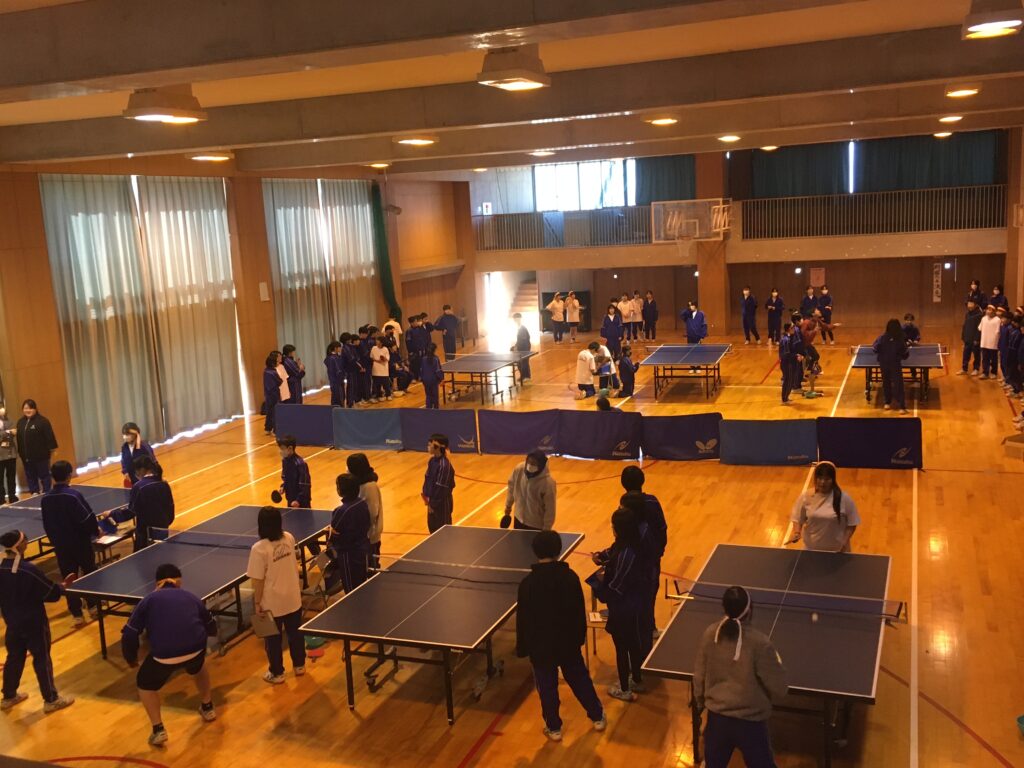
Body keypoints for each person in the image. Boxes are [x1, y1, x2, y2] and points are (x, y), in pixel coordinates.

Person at [516, 530, 606, 741]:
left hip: (541, 648)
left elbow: (524, 619)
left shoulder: (527, 584)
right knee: (580, 680)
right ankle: (597, 716)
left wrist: (523, 648)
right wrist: (579, 637)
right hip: (567, 643)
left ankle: (554, 727)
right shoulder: (570, 578)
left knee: (547, 688)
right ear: (558, 550)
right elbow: (578, 611)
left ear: (535, 551)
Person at [121, 563, 217, 746]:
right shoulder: (191, 596)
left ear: (157, 583)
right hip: (196, 649)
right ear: (178, 581)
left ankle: (158, 730)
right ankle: (208, 707)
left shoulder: (147, 601)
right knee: (199, 666)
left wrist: (131, 658)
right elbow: (211, 625)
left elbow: (129, 634)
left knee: (144, 684)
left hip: (164, 655)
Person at [693, 586, 789, 768]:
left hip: (717, 721)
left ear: (724, 608)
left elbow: (699, 676)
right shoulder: (760, 644)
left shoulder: (710, 634)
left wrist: (700, 704)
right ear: (750, 610)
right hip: (751, 724)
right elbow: (780, 688)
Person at [0, 529, 77, 714]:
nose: (27, 542)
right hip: (34, 622)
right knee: (42, 658)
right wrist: (62, 587)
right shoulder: (29, 570)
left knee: (14, 657)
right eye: (25, 540)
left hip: (12, 622)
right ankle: (51, 699)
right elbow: (51, 593)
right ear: (19, 545)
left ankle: (8, 696)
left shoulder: (1, 568)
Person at [589, 507, 651, 702]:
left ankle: (624, 689)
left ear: (619, 529)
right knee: (632, 644)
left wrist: (599, 586)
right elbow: (611, 552)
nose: (612, 529)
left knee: (623, 648)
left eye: (613, 526)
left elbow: (616, 587)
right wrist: (599, 557)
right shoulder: (629, 544)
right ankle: (637, 679)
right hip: (632, 605)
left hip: (625, 608)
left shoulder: (627, 554)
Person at [247, 506, 306, 685]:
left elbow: (258, 580)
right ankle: (300, 666)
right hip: (293, 597)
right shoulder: (289, 537)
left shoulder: (258, 549)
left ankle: (277, 673)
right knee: (295, 634)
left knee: (273, 639)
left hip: (272, 603)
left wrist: (257, 603)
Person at [40, 461, 99, 627]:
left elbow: (47, 524)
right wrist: (95, 531)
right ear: (69, 475)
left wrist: (55, 541)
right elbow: (87, 518)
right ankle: (93, 606)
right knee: (89, 572)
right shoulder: (73, 496)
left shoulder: (46, 499)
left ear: (52, 476)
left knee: (68, 578)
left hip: (61, 546)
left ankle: (76, 614)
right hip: (80, 543)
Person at [620, 466, 667, 640]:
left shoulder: (623, 505)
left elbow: (620, 536)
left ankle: (638, 629)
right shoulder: (652, 502)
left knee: (634, 594)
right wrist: (659, 551)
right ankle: (648, 628)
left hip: (633, 560)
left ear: (623, 483)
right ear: (642, 481)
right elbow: (662, 527)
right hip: (650, 560)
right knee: (649, 594)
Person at [789, 462, 860, 552]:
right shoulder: (807, 496)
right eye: (820, 478)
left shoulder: (844, 498)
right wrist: (797, 532)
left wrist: (844, 542)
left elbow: (852, 523)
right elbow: (797, 518)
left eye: (827, 479)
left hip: (838, 550)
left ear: (833, 480)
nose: (822, 482)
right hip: (811, 549)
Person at [328, 473, 372, 593]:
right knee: (362, 585)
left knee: (351, 590)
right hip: (363, 549)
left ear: (340, 490)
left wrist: (331, 534)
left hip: (348, 555)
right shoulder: (362, 503)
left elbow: (334, 534)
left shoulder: (341, 511)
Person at [128, 455, 175, 551]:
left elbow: (131, 511)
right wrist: (166, 523)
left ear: (141, 470)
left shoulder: (138, 487)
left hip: (145, 533)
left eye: (136, 471)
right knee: (162, 553)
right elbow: (170, 506)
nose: (136, 474)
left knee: (145, 557)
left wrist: (113, 514)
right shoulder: (164, 484)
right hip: (163, 528)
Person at [502, 451, 556, 531]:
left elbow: (550, 509)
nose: (530, 465)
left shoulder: (548, 483)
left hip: (535, 525)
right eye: (529, 462)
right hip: (518, 519)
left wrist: (546, 529)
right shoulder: (519, 469)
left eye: (534, 464)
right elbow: (511, 487)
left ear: (541, 465)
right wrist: (508, 506)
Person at [347, 453, 383, 568]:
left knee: (371, 567)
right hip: (361, 537)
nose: (347, 470)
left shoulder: (369, 487)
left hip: (370, 537)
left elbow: (373, 513)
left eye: (349, 467)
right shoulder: (358, 484)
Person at [15, 399, 57, 495]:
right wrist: (20, 452)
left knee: (44, 474)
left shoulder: (43, 421)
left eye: (30, 408)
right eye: (25, 408)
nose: (28, 410)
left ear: (35, 409)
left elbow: (50, 436)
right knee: (30, 475)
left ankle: (47, 491)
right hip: (26, 456)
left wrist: (52, 449)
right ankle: (34, 491)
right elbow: (19, 439)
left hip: (41, 456)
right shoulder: (20, 422)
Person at [872, 319, 910, 413]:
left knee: (886, 383)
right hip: (895, 364)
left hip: (883, 364)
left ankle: (887, 403)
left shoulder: (882, 338)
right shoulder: (900, 340)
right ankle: (901, 407)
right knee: (898, 385)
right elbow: (905, 354)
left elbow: (875, 349)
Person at [422, 434, 455, 533]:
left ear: (437, 447)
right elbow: (427, 479)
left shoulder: (444, 466)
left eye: (430, 444)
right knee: (432, 530)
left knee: (443, 533)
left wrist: (432, 504)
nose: (428, 446)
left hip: (442, 504)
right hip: (431, 503)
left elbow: (441, 489)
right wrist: (427, 499)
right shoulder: (432, 461)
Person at [277, 435, 311, 510]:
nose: (280, 451)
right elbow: (286, 478)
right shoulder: (285, 461)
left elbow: (305, 485)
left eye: (282, 449)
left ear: (290, 448)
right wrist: (283, 487)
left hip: (302, 503)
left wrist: (298, 500)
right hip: (290, 499)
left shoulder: (300, 464)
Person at [119, 422, 156, 487]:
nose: (125, 437)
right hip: (132, 480)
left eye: (127, 434)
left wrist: (151, 476)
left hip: (144, 480)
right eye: (124, 434)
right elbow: (123, 461)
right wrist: (125, 472)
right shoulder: (124, 447)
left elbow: (153, 462)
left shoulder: (144, 446)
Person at [779, 323, 804, 405]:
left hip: (790, 362)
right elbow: (786, 354)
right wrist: (796, 356)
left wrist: (797, 355)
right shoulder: (786, 340)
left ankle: (786, 398)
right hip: (787, 363)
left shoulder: (789, 338)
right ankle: (784, 399)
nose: (794, 329)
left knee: (790, 380)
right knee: (788, 381)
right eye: (792, 328)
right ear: (789, 329)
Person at [957, 300, 983, 376]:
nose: (969, 305)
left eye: (971, 304)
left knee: (976, 355)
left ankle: (976, 369)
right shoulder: (967, 314)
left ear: (975, 305)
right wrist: (963, 336)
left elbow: (979, 328)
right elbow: (965, 325)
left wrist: (977, 339)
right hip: (967, 338)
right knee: (966, 354)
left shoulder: (979, 315)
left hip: (975, 339)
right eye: (968, 304)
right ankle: (964, 369)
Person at [0, 405, 18, 504]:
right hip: (0, 455)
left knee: (11, 476)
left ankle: (12, 495)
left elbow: (14, 432)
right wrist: (8, 432)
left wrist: (7, 433)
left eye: (2, 408)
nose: (2, 410)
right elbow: (9, 432)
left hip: (11, 452)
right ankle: (1, 498)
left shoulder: (9, 420)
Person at [263, 352, 284, 434]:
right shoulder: (272, 372)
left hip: (268, 395)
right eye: (276, 361)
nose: (278, 362)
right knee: (275, 412)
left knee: (270, 412)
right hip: (274, 394)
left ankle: (268, 428)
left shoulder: (266, 371)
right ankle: (275, 430)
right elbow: (279, 381)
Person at [978, 304, 1001, 381]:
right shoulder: (983, 318)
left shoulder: (997, 320)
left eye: (990, 310)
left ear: (994, 311)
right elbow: (980, 328)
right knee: (985, 359)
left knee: (994, 359)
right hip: (984, 342)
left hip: (993, 343)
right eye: (988, 309)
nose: (988, 311)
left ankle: (994, 372)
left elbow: (998, 332)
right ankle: (985, 373)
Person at [342, 334, 365, 407]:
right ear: (347, 340)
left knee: (355, 385)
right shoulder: (345, 348)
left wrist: (359, 365)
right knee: (351, 387)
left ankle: (355, 401)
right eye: (349, 338)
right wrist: (359, 366)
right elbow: (351, 359)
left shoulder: (350, 347)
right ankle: (350, 403)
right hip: (350, 370)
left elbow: (355, 357)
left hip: (353, 369)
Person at [406, 314, 431, 381]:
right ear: (411, 323)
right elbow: (408, 342)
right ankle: (413, 378)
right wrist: (410, 351)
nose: (416, 323)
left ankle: (420, 376)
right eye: (415, 322)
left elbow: (423, 338)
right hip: (413, 351)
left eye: (416, 321)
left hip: (421, 350)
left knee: (420, 363)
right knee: (414, 365)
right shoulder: (409, 331)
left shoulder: (419, 329)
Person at [369, 335, 393, 403]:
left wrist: (383, 358)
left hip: (384, 368)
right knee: (377, 383)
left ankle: (388, 394)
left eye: (378, 340)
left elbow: (387, 358)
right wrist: (377, 360)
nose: (377, 342)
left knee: (386, 383)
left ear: (382, 342)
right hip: (376, 368)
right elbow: (371, 357)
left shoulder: (385, 349)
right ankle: (379, 395)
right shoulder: (373, 348)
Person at [421, 342, 444, 409]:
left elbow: (421, 370)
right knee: (435, 396)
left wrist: (422, 379)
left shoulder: (423, 359)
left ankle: (428, 410)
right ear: (434, 350)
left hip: (425, 380)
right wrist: (442, 379)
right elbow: (438, 370)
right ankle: (436, 411)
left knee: (428, 395)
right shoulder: (435, 359)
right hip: (433, 380)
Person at [511, 313, 532, 382]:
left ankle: (526, 376)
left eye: (515, 319)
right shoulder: (519, 328)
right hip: (521, 348)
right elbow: (519, 340)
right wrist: (515, 346)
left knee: (524, 362)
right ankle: (523, 376)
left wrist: (518, 347)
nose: (514, 320)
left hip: (524, 348)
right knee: (520, 363)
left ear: (518, 319)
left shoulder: (522, 328)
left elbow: (524, 340)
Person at [324, 340, 345, 408]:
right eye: (339, 347)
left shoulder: (336, 356)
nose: (340, 348)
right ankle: (337, 410)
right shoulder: (332, 358)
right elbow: (336, 370)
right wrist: (340, 376)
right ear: (335, 348)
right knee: (337, 397)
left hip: (338, 380)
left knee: (339, 396)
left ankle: (338, 409)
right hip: (335, 381)